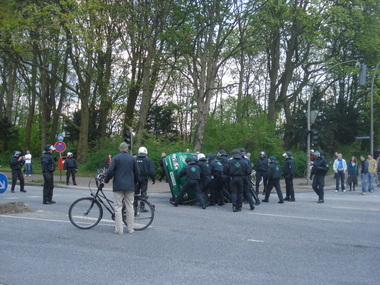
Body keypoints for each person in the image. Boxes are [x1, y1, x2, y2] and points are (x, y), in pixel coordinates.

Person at [104, 142, 140, 234]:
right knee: (129, 207)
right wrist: (135, 182)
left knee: (118, 207)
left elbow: (110, 171)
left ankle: (119, 230)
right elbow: (137, 173)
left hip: (118, 185)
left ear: (120, 149)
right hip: (130, 186)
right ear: (127, 149)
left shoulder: (116, 158)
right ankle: (130, 229)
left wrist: (106, 180)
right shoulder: (132, 159)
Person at [135, 146, 156, 210]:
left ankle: (134, 206)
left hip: (135, 179)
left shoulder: (134, 159)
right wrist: (153, 179)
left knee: (135, 193)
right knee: (143, 192)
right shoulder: (148, 160)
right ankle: (142, 206)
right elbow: (152, 171)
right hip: (144, 179)